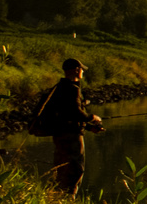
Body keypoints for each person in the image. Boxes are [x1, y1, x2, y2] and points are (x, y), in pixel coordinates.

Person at [40, 57, 103, 193]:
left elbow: (66, 114)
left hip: (60, 133)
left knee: (62, 168)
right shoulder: (72, 89)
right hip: (71, 137)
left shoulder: (58, 88)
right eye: (81, 70)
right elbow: (75, 112)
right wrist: (92, 118)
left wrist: (87, 127)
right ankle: (68, 199)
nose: (82, 73)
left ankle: (57, 197)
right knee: (75, 169)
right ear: (76, 70)